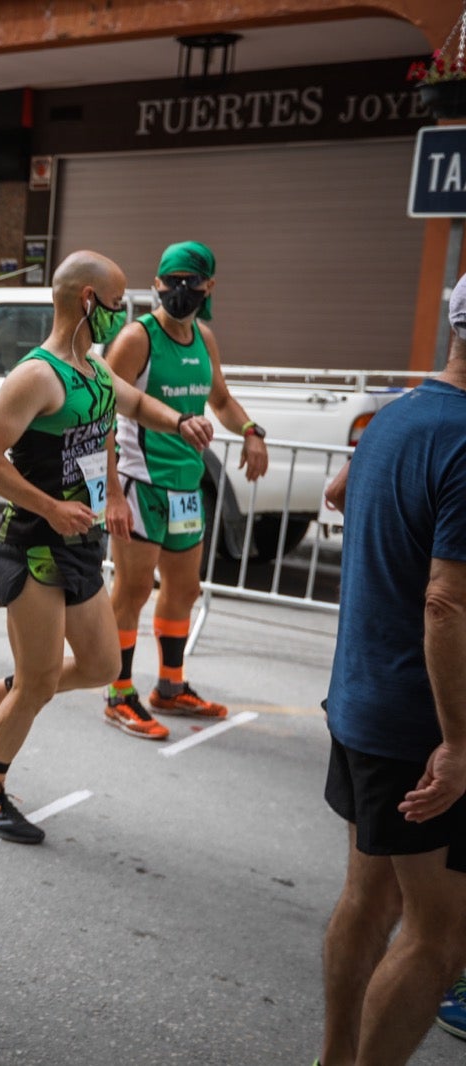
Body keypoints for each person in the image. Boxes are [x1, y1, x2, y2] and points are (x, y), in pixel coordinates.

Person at [0, 251, 212, 845]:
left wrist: (181, 422)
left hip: (80, 545)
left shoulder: (91, 371)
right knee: (38, 681)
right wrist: (51, 506)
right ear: (89, 301)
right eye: (119, 305)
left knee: (100, 665)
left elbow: (131, 408)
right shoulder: (37, 376)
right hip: (36, 547)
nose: (126, 316)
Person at [316, 272, 466, 1066]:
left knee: (369, 900)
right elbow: (446, 605)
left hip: (365, 700)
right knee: (439, 939)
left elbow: (340, 490)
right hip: (422, 726)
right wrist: (460, 743)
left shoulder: (400, 412)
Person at [101, 242, 268, 740]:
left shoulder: (204, 338)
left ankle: (169, 687)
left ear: (208, 286)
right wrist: (111, 492)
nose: (179, 290)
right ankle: (118, 692)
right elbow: (105, 408)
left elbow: (220, 399)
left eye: (190, 281)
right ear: (156, 283)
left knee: (183, 589)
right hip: (140, 482)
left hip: (186, 486)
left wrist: (252, 431)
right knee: (131, 591)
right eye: (170, 279)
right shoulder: (137, 337)